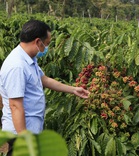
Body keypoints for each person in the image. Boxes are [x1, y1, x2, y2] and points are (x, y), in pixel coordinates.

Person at [0, 20, 89, 155]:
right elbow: (15, 106)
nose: (46, 48)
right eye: (46, 44)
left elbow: (44, 79)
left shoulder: (28, 58)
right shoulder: (16, 66)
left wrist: (73, 89)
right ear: (37, 42)